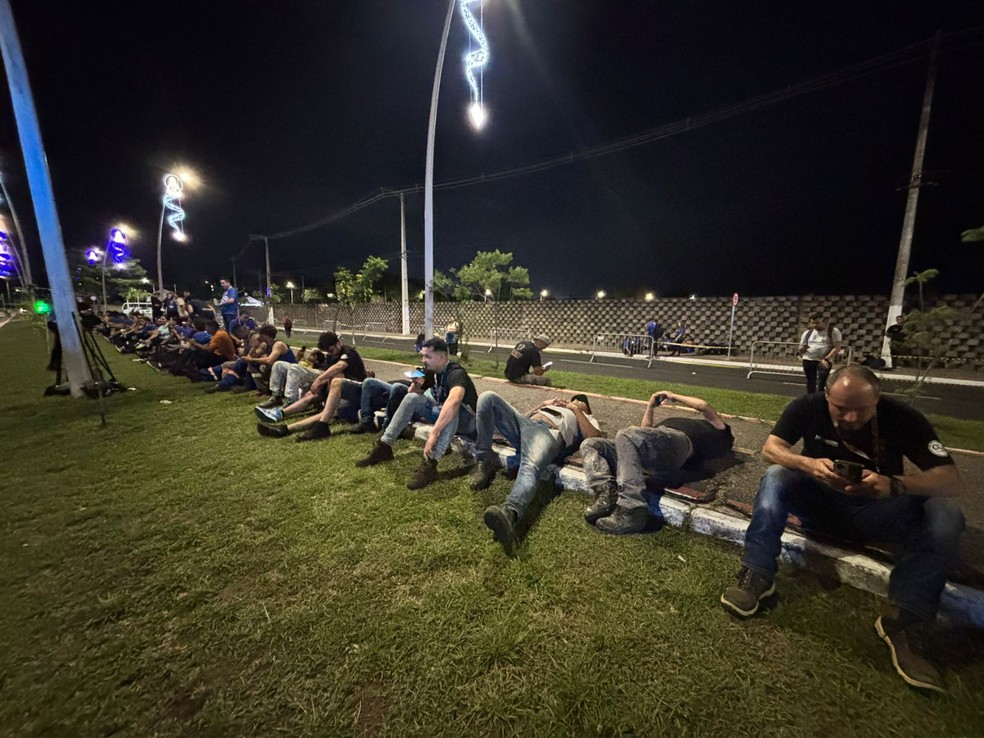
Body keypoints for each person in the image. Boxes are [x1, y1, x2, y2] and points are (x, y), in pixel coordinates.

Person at [720, 365, 964, 693]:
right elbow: (771, 449)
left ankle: (907, 620)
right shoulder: (807, 407)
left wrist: (895, 485)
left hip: (877, 510)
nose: (850, 418)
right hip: (820, 505)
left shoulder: (903, 417)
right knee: (776, 475)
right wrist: (809, 464)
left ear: (877, 400)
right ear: (827, 396)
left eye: (861, 410)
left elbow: (950, 479)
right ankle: (757, 575)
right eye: (841, 408)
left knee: (946, 512)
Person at [581, 390, 734, 534]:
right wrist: (650, 407)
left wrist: (674, 396)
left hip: (680, 444)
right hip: (656, 446)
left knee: (626, 435)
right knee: (592, 444)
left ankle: (631, 509)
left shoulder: (721, 430)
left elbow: (703, 406)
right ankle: (606, 494)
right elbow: (643, 432)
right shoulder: (666, 431)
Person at [471, 392, 602, 554]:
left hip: (547, 434)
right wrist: (541, 406)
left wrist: (576, 409)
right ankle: (485, 459)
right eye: (573, 399)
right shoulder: (552, 406)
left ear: (587, 409)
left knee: (529, 468)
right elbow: (523, 418)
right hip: (526, 425)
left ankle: (509, 513)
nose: (573, 401)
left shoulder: (587, 417)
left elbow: (593, 436)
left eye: (579, 402)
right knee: (487, 398)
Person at [355, 338, 477, 490]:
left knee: (452, 409)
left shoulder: (455, 372)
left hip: (468, 422)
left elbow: (454, 400)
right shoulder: (432, 373)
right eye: (423, 356)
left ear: (443, 357)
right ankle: (384, 446)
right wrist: (416, 382)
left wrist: (434, 433)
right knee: (412, 398)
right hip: (445, 416)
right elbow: (410, 394)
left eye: (428, 356)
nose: (423, 360)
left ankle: (431, 463)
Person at [254, 331, 367, 440]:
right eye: (327, 351)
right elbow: (329, 374)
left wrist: (319, 379)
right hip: (339, 392)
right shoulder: (330, 357)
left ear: (337, 343)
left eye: (331, 350)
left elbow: (338, 367)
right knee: (311, 396)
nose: (330, 353)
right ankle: (280, 413)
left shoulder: (349, 352)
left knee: (329, 410)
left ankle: (287, 429)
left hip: (355, 392)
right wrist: (321, 389)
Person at [799, 311, 842, 394]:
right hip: (808, 359)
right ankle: (811, 398)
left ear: (824, 321)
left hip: (823, 360)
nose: (815, 325)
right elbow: (800, 349)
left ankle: (820, 398)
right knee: (810, 381)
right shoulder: (807, 333)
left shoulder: (833, 331)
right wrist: (802, 349)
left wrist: (826, 359)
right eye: (813, 323)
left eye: (817, 323)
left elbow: (837, 347)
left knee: (822, 381)